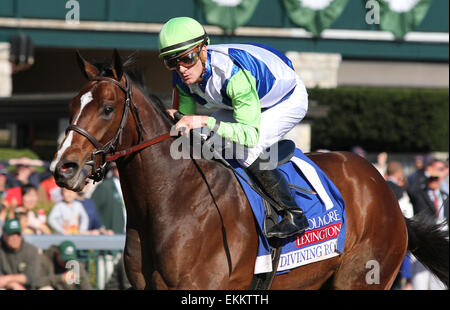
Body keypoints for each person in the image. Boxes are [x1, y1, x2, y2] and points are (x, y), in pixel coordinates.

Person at [158, 17, 309, 238]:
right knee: (205, 142)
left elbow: (248, 135)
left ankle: (294, 214)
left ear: (203, 50)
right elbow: (185, 121)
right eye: (171, 62)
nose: (181, 68)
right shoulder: (181, 76)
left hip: (285, 100)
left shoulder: (233, 75)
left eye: (187, 58)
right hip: (240, 102)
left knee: (247, 150)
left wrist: (204, 121)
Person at [0, 218, 42, 289]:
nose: (15, 238)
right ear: (4, 236)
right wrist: (13, 285)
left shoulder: (31, 250)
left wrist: (7, 279)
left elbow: (32, 277)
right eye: (11, 234)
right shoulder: (1, 249)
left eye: (17, 234)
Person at [91, 163, 126, 234]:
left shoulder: (130, 187)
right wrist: (102, 228)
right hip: (111, 233)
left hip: (127, 232)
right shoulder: (105, 186)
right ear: (113, 170)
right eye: (117, 168)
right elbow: (92, 208)